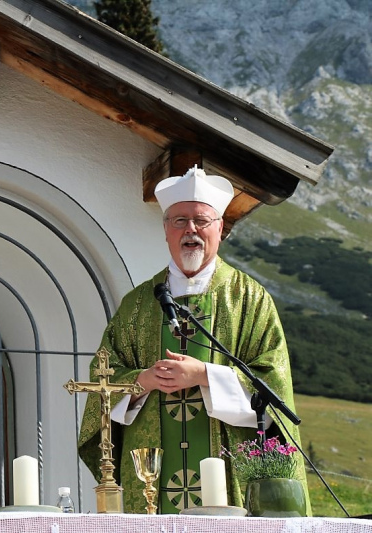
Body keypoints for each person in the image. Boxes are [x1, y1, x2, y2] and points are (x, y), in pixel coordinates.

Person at [77, 166, 309, 514]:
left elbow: (273, 383)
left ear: (220, 228)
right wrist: (143, 380)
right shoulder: (137, 305)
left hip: (231, 467)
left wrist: (204, 375)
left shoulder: (249, 299)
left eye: (201, 220)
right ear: (165, 231)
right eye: (180, 221)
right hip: (149, 476)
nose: (191, 230)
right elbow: (103, 377)